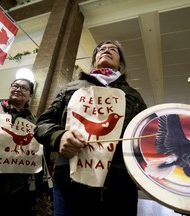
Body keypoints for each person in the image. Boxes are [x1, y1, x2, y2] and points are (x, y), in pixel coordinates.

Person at [34, 40, 147, 216]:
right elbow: (43, 123)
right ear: (94, 60)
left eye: (113, 49)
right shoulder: (71, 88)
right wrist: (59, 137)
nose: (106, 50)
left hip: (119, 179)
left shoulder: (133, 95)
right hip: (70, 175)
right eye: (101, 49)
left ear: (121, 62)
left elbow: (144, 133)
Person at [0, 78, 48, 216]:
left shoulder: (34, 122)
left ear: (31, 95)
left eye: (24, 88)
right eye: (15, 86)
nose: (18, 89)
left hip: (13, 186)